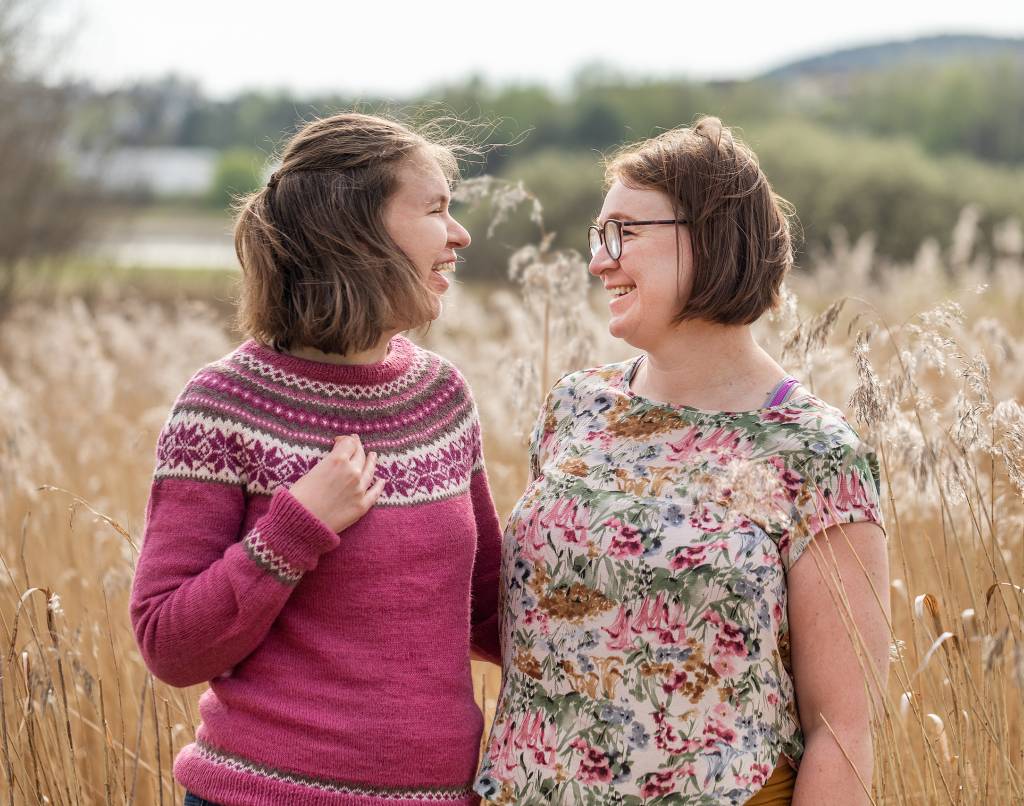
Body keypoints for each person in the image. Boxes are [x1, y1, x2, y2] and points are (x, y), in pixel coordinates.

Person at [475, 116, 890, 805]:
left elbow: (841, 731)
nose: (599, 260)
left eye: (624, 234)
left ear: (714, 234)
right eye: (596, 235)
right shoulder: (577, 407)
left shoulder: (814, 453)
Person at [130, 112, 502, 806]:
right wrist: (293, 528)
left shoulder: (441, 395)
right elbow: (168, 644)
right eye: (436, 208)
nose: (459, 234)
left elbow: (492, 610)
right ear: (357, 232)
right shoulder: (224, 406)